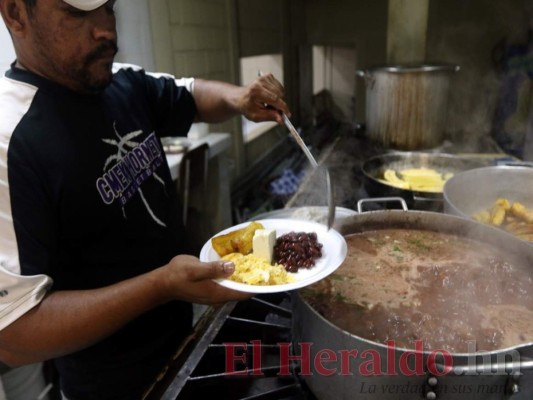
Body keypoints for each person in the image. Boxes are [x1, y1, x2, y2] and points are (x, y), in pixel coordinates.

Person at [0, 0, 290, 398]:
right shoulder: (10, 141)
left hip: (183, 344)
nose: (106, 30)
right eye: (79, 13)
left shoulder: (118, 81)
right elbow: (15, 333)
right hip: (113, 387)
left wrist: (238, 98)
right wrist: (162, 286)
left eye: (109, 8)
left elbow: (188, 94)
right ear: (15, 13)